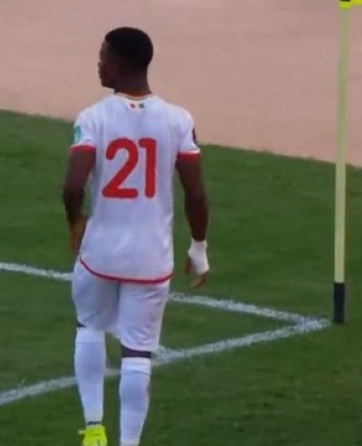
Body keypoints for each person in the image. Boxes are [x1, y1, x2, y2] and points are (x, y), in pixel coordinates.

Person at [61, 26, 211, 446]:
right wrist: (199, 247)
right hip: (150, 259)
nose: (98, 64)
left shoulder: (92, 118)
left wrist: (76, 221)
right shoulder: (179, 120)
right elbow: (196, 194)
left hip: (100, 252)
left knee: (89, 328)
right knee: (137, 353)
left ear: (121, 64)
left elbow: (72, 186)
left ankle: (94, 429)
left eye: (103, 57)